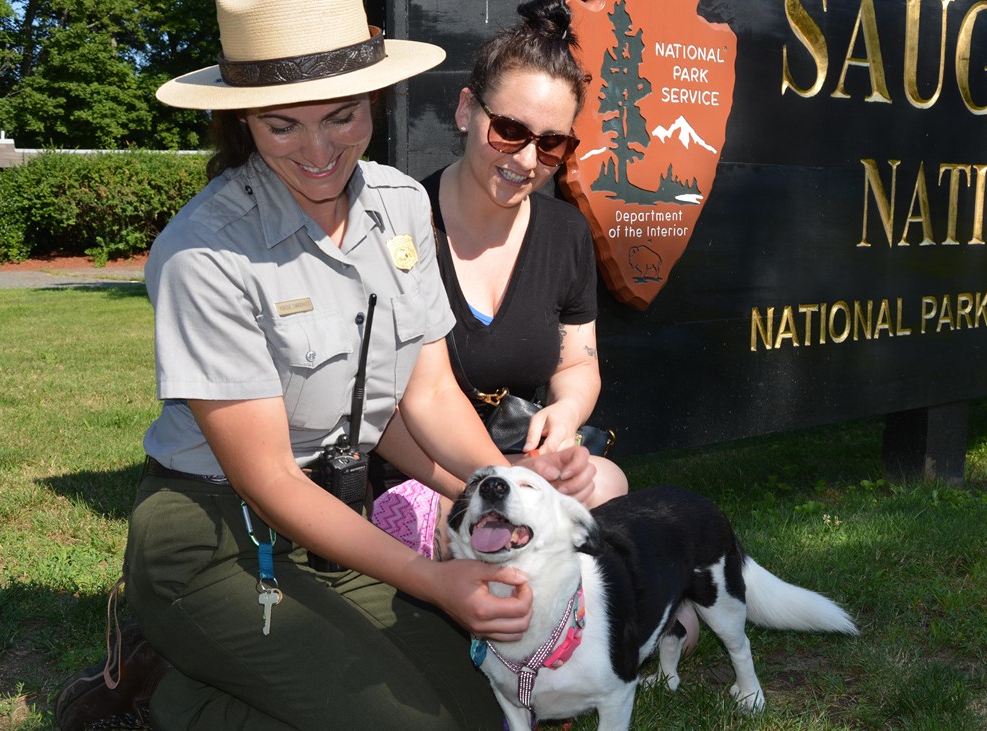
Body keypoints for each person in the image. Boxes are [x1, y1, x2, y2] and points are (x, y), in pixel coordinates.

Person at [53, 1, 597, 729]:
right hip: (214, 541)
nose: (318, 149)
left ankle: (215, 674)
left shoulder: (404, 206)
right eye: (283, 124)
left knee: (491, 715)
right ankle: (164, 688)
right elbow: (270, 478)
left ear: (374, 99)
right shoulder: (203, 254)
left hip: (339, 526)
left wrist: (506, 487)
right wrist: (433, 579)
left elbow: (427, 391)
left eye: (342, 116)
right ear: (243, 121)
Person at [366, 0, 628, 562]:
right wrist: (494, 481)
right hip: (421, 468)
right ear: (467, 110)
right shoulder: (401, 225)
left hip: (519, 464)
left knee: (606, 484)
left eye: (553, 144)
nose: (528, 159)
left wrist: (566, 416)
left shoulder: (566, 233)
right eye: (510, 130)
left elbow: (578, 364)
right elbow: (380, 407)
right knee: (468, 540)